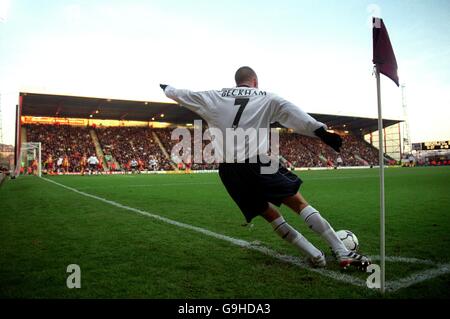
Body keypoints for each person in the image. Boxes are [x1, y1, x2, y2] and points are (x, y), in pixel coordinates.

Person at [160, 66, 370, 269]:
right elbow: (293, 113)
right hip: (257, 162)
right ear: (255, 81)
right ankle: (340, 250)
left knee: (270, 215)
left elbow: (183, 94)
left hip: (229, 171)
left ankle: (314, 255)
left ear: (236, 81)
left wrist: (166, 88)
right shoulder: (266, 96)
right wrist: (321, 132)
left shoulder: (214, 96)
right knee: (298, 203)